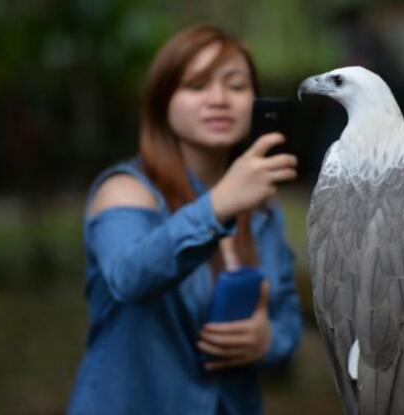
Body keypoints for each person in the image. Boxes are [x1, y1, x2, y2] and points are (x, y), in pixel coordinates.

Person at [67, 24, 302, 415]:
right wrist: (217, 206)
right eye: (196, 86)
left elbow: (287, 316)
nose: (219, 99)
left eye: (236, 86)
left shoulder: (261, 209)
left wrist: (268, 341)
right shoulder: (124, 191)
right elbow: (129, 277)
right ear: (163, 102)